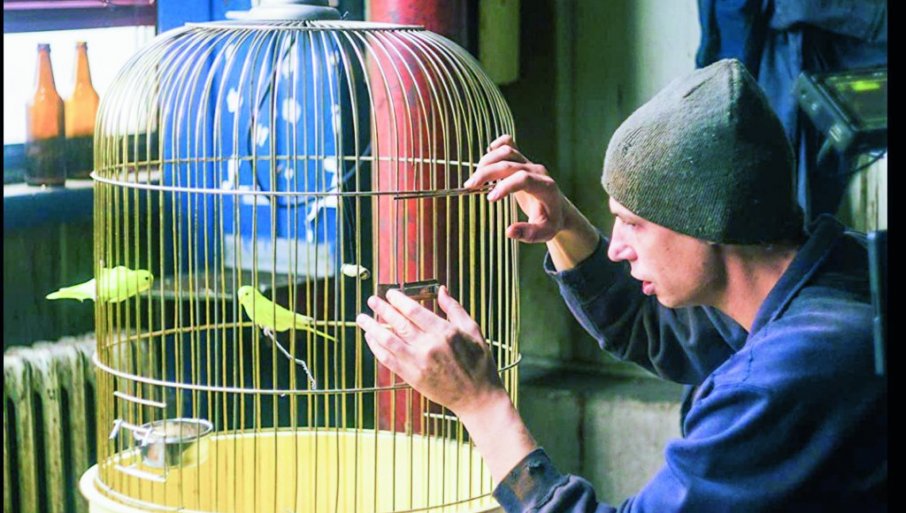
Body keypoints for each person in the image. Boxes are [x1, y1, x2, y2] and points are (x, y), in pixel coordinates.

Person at [355, 59, 886, 512]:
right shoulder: (835, 270)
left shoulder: (791, 374)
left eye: (634, 223)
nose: (616, 247)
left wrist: (481, 404)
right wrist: (564, 226)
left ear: (708, 222)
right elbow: (654, 327)